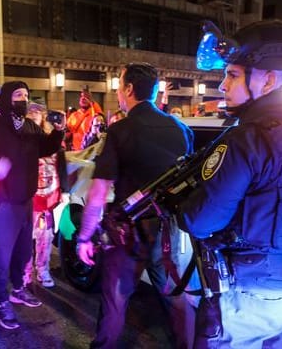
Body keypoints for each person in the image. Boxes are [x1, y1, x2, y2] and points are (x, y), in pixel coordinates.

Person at [178, 19, 282, 348]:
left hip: (253, 295)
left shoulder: (248, 138)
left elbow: (201, 222)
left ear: (268, 80)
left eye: (233, 74)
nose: (222, 86)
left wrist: (184, 205)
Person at [76, 63, 194, 348]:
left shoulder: (120, 131)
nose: (118, 91)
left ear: (129, 89)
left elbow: (98, 191)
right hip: (167, 230)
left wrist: (84, 237)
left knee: (116, 299)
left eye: (119, 85)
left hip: (128, 233)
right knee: (175, 297)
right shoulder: (181, 129)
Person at [0, 81, 64, 330]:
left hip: (25, 200)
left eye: (27, 95)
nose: (23, 99)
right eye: (18, 94)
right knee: (2, 255)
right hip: (3, 203)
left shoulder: (29, 126)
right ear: (7, 98)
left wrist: (59, 132)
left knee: (22, 252)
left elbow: (45, 148)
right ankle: (0, 301)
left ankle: (18, 289)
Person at [23, 101, 69, 288]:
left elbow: (62, 166)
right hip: (28, 196)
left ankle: (43, 269)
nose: (34, 114)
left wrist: (65, 191)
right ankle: (25, 271)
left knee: (46, 236)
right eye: (30, 112)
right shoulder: (20, 141)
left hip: (50, 196)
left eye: (37, 112)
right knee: (26, 236)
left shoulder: (53, 140)